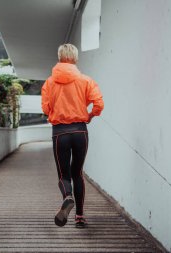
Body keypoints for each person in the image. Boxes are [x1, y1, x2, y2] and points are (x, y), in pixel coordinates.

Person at [41, 44, 104, 228]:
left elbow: (45, 108)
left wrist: (57, 109)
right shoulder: (86, 80)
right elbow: (99, 104)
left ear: (60, 57)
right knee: (78, 173)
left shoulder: (49, 83)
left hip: (60, 132)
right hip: (80, 131)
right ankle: (80, 217)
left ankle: (67, 196)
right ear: (75, 58)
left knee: (64, 174)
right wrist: (90, 115)